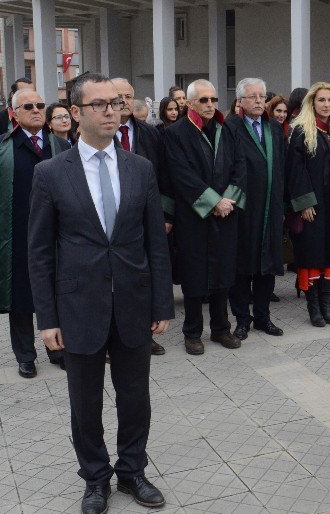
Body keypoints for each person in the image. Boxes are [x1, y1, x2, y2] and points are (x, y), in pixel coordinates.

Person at [28, 71, 174, 514]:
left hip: (133, 302)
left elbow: (155, 243)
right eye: (99, 104)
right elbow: (39, 252)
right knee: (84, 401)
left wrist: (161, 304)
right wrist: (47, 318)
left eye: (115, 103)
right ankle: (95, 477)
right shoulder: (51, 173)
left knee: (135, 396)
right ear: (75, 113)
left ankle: (132, 470)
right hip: (79, 306)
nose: (111, 110)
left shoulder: (140, 168)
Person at [0, 89, 72, 376]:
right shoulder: (0, 147)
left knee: (58, 292)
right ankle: (25, 355)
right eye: (28, 106)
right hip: (17, 234)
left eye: (40, 105)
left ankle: (57, 350)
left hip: (56, 235)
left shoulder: (61, 146)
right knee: (20, 297)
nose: (36, 110)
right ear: (14, 113)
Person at [166, 79, 245, 355]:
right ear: (189, 103)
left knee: (224, 273)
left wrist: (228, 201)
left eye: (213, 100)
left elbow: (239, 166)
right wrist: (213, 201)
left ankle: (221, 328)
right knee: (194, 276)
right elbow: (181, 174)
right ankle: (192, 332)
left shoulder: (228, 129)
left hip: (226, 214)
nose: (210, 105)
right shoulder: (176, 133)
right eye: (204, 100)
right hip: (194, 216)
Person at [113, 77, 175, 355]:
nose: (124, 100)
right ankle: (109, 338)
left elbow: (165, 177)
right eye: (119, 95)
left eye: (129, 95)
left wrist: (166, 215)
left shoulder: (150, 134)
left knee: (143, 279)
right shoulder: (97, 134)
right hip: (111, 224)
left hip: (145, 221)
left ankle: (143, 335)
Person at [225, 78, 286, 340]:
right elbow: (226, 167)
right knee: (242, 266)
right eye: (253, 97)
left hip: (270, 206)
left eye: (262, 96)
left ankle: (263, 317)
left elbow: (283, 165)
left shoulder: (274, 126)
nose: (259, 101)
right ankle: (242, 319)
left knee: (268, 265)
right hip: (243, 208)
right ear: (240, 101)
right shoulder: (230, 127)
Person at [286, 82, 330, 327]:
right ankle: (313, 307)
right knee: (313, 256)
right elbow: (295, 170)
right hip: (313, 207)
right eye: (321, 100)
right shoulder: (302, 131)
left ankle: (326, 305)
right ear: (312, 103)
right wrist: (304, 203)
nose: (326, 104)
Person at [0, 77, 32, 149]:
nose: (29, 97)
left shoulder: (37, 116)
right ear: (13, 95)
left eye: (32, 93)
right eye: (24, 93)